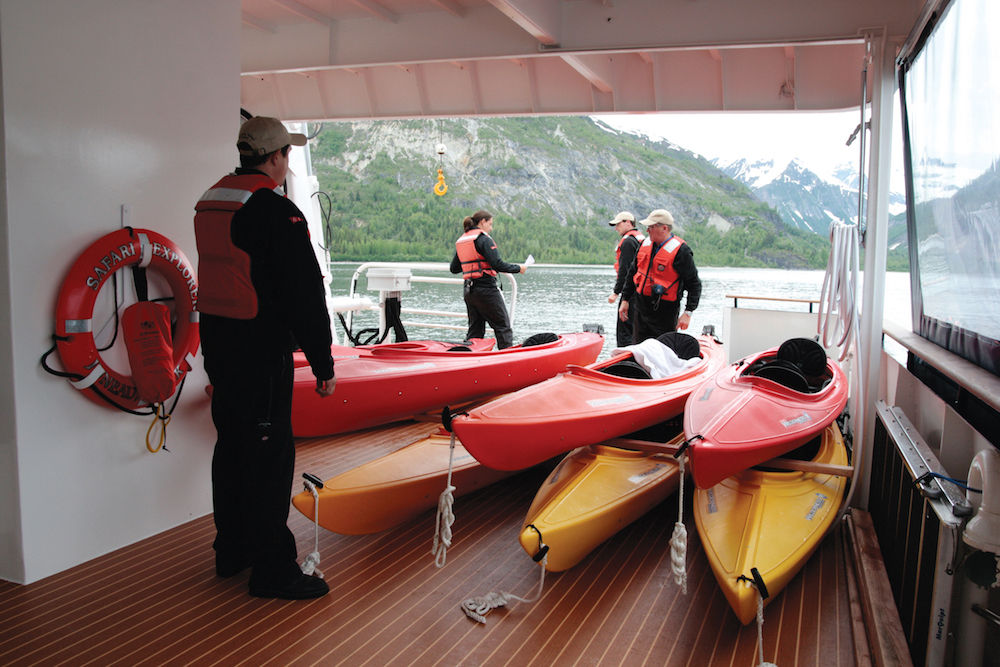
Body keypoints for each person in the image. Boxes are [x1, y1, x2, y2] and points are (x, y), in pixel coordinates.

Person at [194, 116, 336, 600]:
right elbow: (305, 295)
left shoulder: (212, 200)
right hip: (259, 353)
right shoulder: (277, 212)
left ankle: (231, 550)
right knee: (270, 457)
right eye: (286, 155)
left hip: (219, 346)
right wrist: (323, 363)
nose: (287, 162)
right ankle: (273, 569)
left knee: (232, 447)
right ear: (276, 157)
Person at [618, 209, 702, 343]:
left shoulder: (681, 251)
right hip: (641, 308)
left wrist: (688, 312)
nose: (647, 231)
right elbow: (632, 273)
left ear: (664, 228)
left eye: (651, 227)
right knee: (639, 348)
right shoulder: (644, 245)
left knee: (663, 348)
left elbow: (694, 284)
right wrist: (625, 299)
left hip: (666, 311)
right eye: (647, 227)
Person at [449, 210, 525, 349]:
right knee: (503, 328)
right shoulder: (483, 239)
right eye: (490, 224)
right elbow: (497, 264)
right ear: (482, 222)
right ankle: (506, 361)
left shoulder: (463, 240)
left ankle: (469, 361)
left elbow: (454, 268)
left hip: (469, 291)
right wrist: (519, 268)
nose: (491, 228)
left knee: (475, 330)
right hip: (486, 290)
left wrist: (471, 263)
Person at [606, 211, 644, 347]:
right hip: (642, 292)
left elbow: (625, 270)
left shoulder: (628, 242)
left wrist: (616, 292)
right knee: (637, 330)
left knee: (625, 330)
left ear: (628, 222)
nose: (616, 228)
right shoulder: (641, 239)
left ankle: (624, 360)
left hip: (631, 293)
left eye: (618, 224)